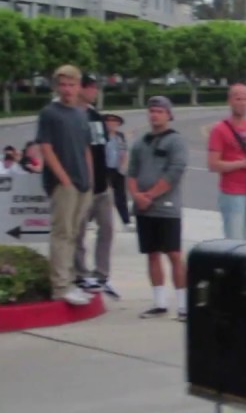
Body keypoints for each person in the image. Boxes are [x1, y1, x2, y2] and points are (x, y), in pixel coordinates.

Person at [36, 64, 95, 307]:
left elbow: (86, 149)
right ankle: (60, 287)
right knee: (62, 234)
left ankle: (70, 280)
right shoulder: (49, 113)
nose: (68, 89)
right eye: (63, 85)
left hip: (83, 184)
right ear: (57, 87)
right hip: (64, 184)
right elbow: (46, 148)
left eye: (72, 84)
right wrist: (64, 179)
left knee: (74, 234)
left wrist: (89, 179)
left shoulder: (81, 115)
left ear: (79, 86)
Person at [127, 96, 188, 320]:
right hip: (144, 209)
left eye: (160, 111)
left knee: (173, 253)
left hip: (167, 207)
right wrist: (136, 195)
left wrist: (150, 195)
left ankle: (183, 305)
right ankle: (159, 302)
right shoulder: (140, 143)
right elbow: (131, 173)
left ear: (168, 115)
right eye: (152, 111)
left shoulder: (176, 142)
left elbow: (175, 171)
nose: (155, 115)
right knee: (152, 254)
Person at [72, 75, 118, 299]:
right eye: (90, 87)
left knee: (107, 229)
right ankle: (80, 273)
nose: (94, 91)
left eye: (95, 88)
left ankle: (101, 274)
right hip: (82, 187)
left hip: (102, 186)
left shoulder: (95, 115)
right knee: (78, 232)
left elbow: (103, 150)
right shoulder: (73, 116)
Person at [206, 83, 246, 238]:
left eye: (245, 99)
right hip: (232, 193)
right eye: (238, 99)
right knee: (235, 238)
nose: (242, 103)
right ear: (230, 101)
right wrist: (241, 164)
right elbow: (213, 164)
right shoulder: (220, 129)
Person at [103, 113, 131, 228]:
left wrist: (123, 166)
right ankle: (89, 219)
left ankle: (126, 221)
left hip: (117, 169)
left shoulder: (120, 136)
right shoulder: (101, 136)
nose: (111, 123)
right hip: (103, 170)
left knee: (121, 196)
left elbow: (124, 151)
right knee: (99, 196)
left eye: (114, 121)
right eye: (108, 121)